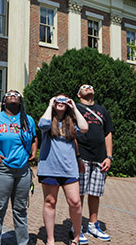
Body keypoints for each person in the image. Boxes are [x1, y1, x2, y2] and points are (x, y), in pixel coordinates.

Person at [0, 90, 37, 245]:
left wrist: (34, 152)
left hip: (23, 171)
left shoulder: (28, 120)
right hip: (1, 169)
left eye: (16, 94)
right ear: (3, 101)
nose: (13, 95)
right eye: (9, 94)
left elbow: (34, 137)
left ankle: (22, 242)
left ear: (21, 101)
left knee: (20, 209)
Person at [37, 95, 89, 245]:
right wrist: (50, 105)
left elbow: (85, 128)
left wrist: (74, 107)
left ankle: (77, 237)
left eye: (64, 101)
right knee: (50, 202)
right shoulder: (48, 120)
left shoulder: (71, 123)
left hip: (69, 169)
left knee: (75, 202)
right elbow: (43, 124)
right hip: (49, 168)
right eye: (57, 101)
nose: (60, 103)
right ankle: (51, 239)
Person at [75, 84, 114, 243]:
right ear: (79, 94)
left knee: (95, 193)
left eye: (90, 86)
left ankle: (92, 225)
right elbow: (71, 132)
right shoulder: (75, 109)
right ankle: (76, 227)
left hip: (100, 158)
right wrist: (76, 156)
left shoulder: (102, 111)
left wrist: (109, 156)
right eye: (84, 87)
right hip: (82, 157)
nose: (88, 87)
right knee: (79, 193)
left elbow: (108, 133)